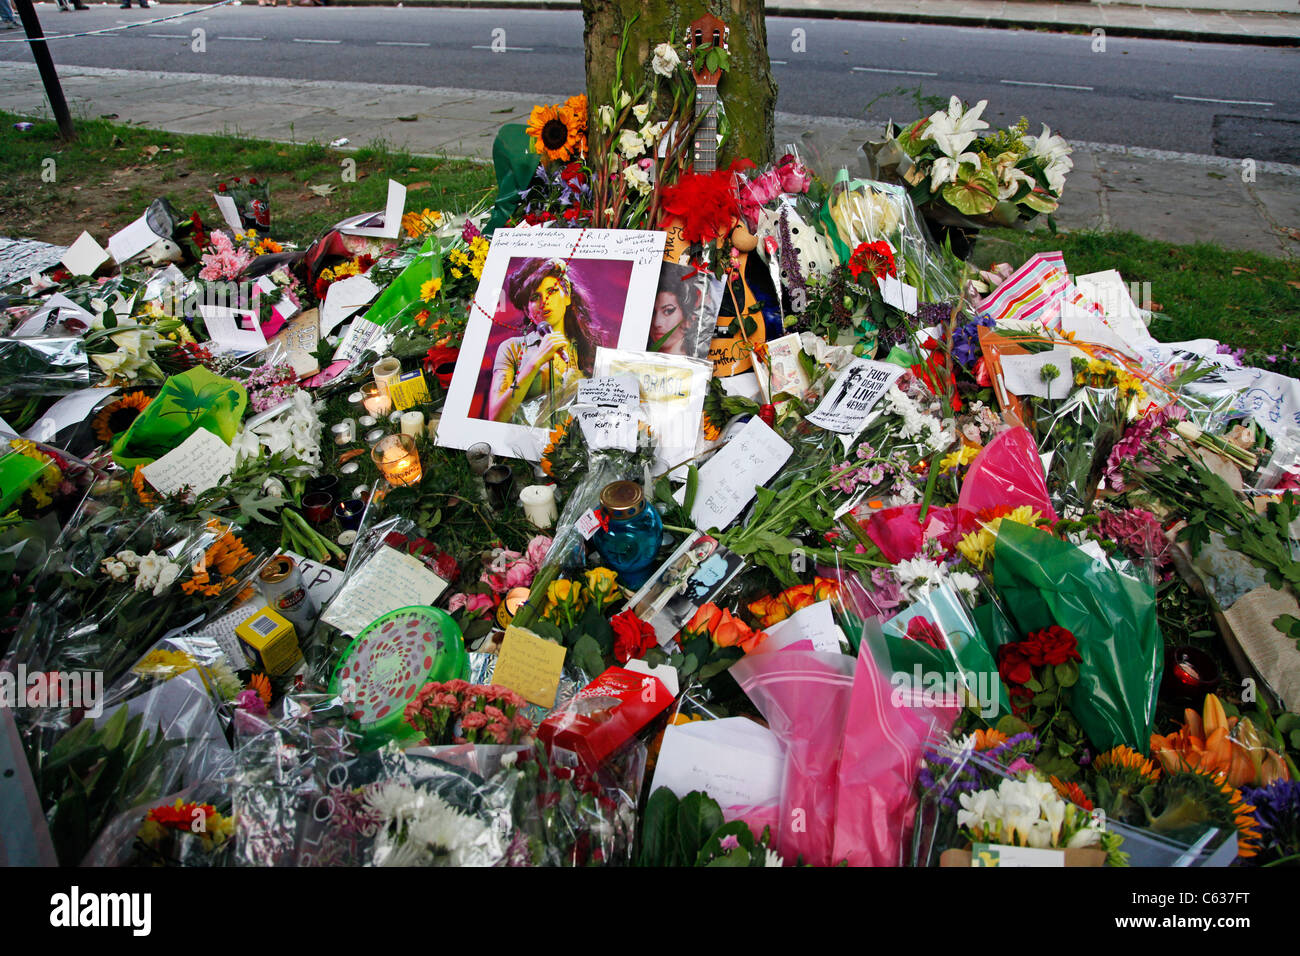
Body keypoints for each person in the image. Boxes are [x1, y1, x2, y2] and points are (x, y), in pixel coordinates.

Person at [487, 258, 597, 424]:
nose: (544, 301)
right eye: (534, 297)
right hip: (522, 447)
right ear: (527, 310)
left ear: (567, 297)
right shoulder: (512, 348)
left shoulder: (589, 349)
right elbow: (496, 417)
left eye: (551, 291)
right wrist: (536, 361)